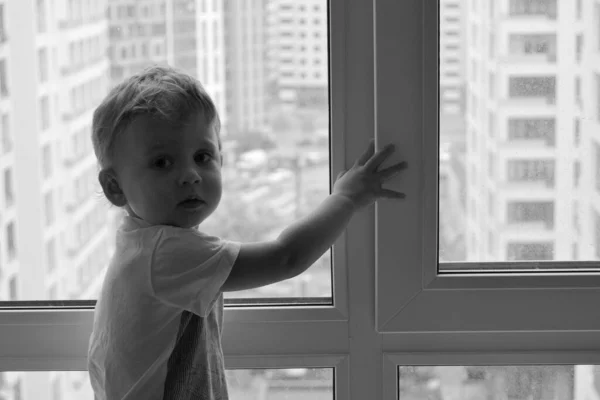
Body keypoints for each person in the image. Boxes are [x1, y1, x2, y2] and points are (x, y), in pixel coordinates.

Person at [87, 65, 408, 400]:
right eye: (162, 163)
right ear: (114, 187)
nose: (190, 175)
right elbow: (286, 257)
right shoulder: (166, 253)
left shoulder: (137, 241)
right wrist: (346, 197)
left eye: (202, 156)